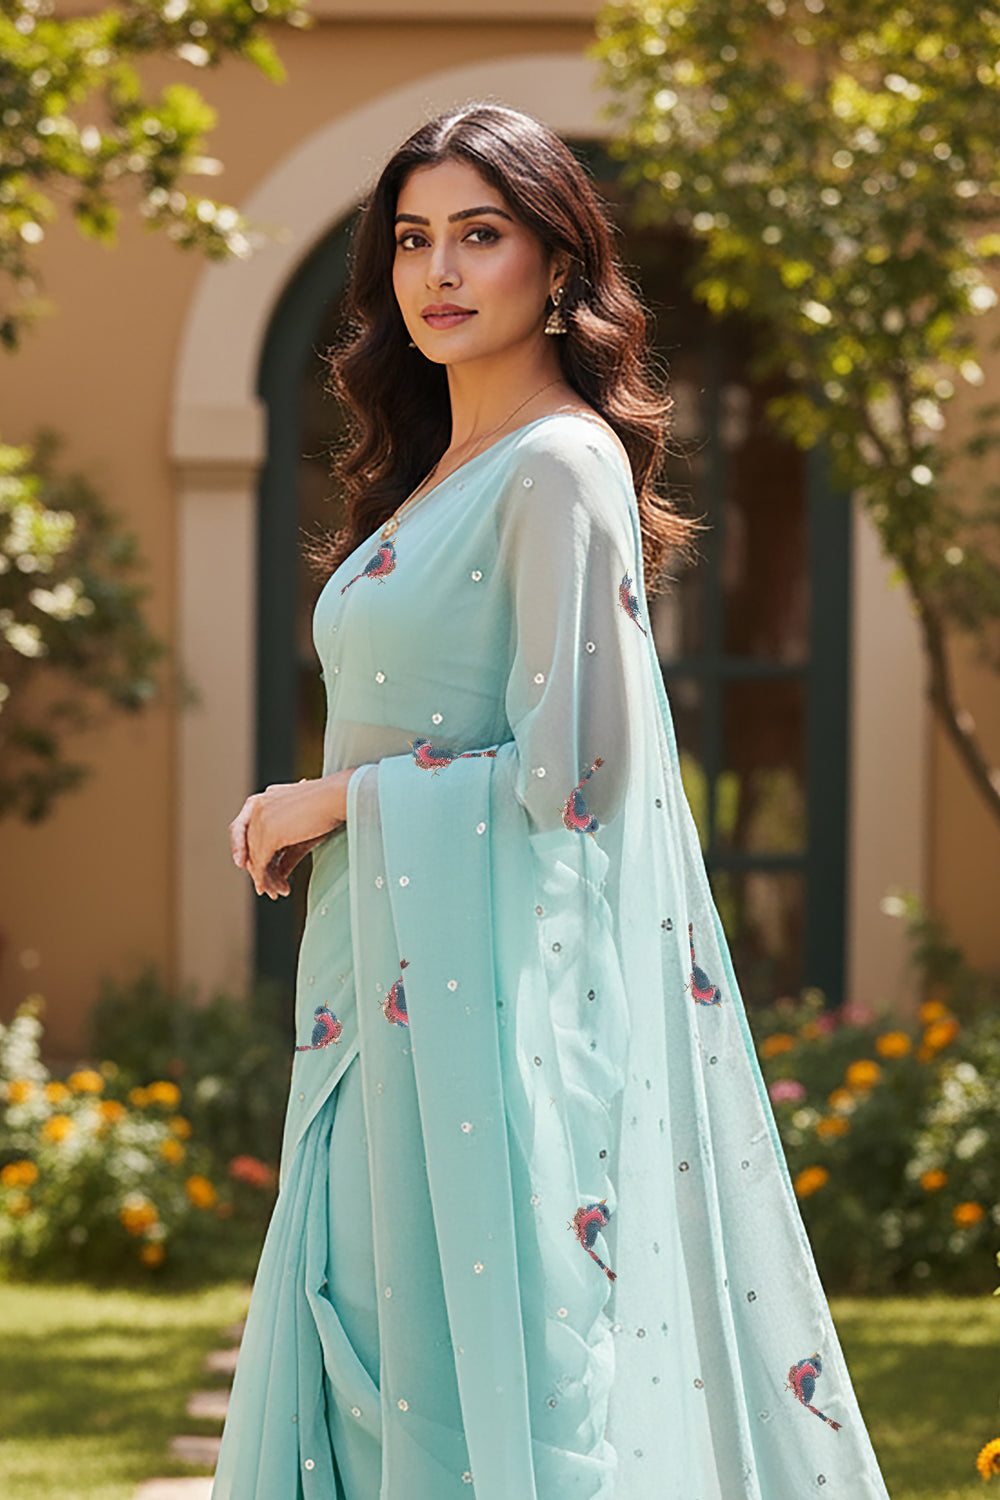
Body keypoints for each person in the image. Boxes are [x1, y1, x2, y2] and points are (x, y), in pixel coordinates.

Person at [216, 104, 892, 1500]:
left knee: (461, 1370)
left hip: (484, 1010)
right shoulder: (433, 476)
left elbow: (575, 779)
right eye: (413, 240)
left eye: (481, 234)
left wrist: (333, 802)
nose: (439, 272)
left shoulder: (557, 464)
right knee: (370, 1335)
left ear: (559, 262)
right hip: (380, 984)